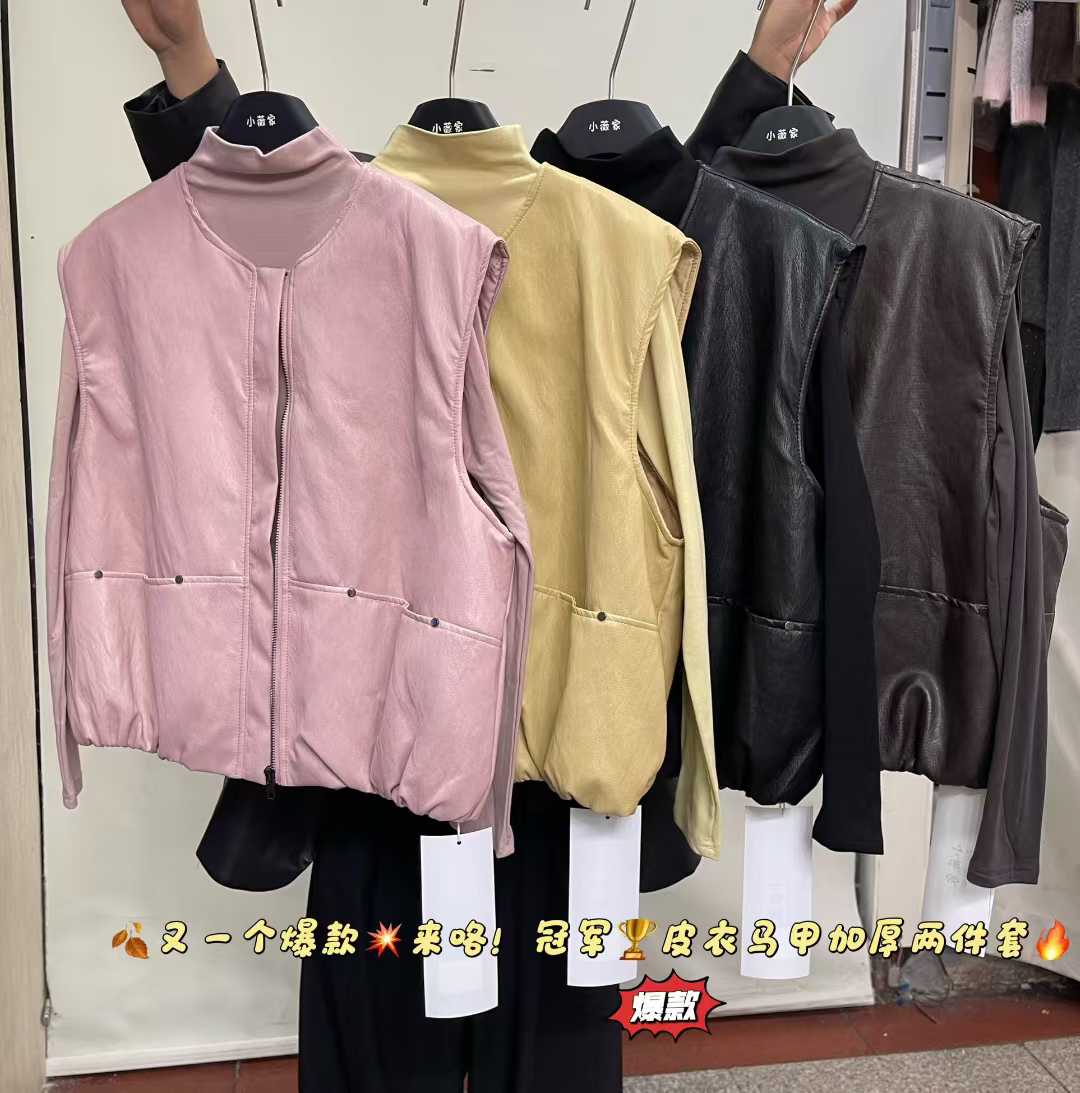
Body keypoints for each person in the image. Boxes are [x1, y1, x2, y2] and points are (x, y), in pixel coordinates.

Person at [108, 2, 859, 1090]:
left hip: (564, 751)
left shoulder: (602, 235)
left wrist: (764, 69)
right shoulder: (335, 228)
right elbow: (227, 227)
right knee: (387, 1036)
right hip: (380, 743)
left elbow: (672, 209)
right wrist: (188, 63)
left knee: (537, 1046)